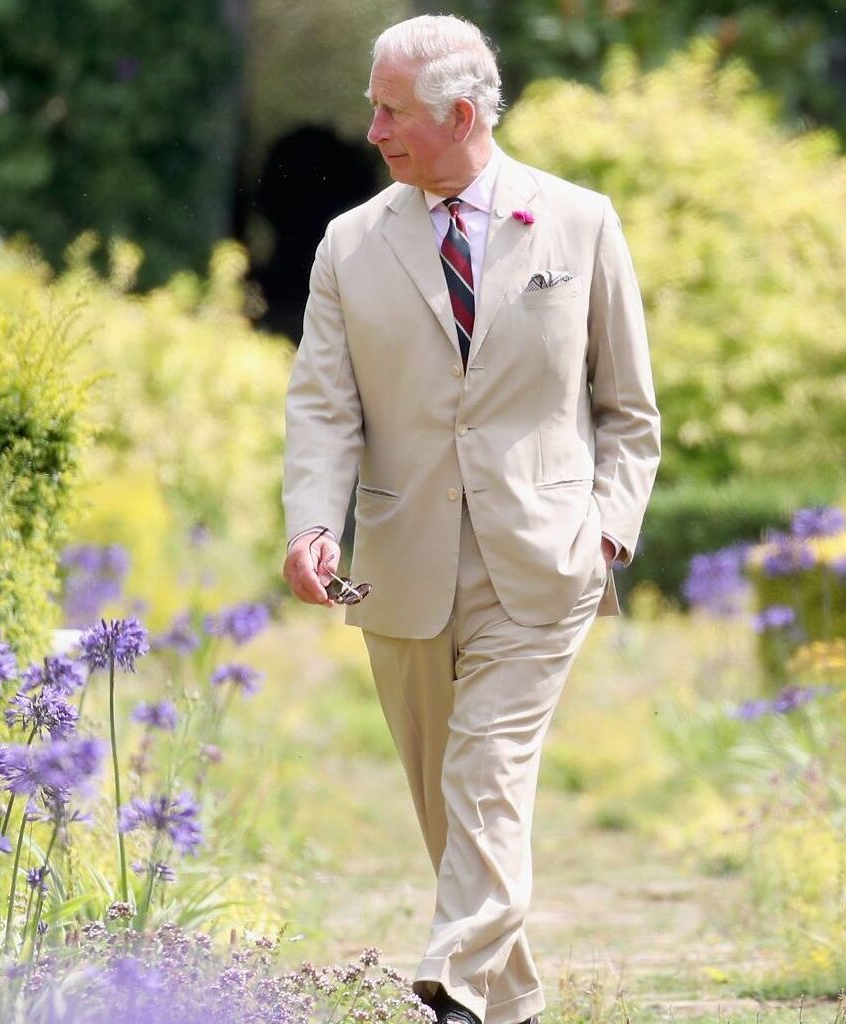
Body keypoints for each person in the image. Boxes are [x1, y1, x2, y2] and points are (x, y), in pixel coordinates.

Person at [280, 15, 661, 1024]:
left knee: (486, 768)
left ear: (458, 115)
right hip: (402, 567)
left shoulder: (578, 224)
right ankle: (513, 1001)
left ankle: (450, 985)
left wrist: (607, 529)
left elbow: (627, 410)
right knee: (451, 808)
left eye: (390, 110)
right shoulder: (348, 245)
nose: (370, 130)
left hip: (542, 564)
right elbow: (322, 405)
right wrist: (311, 524)